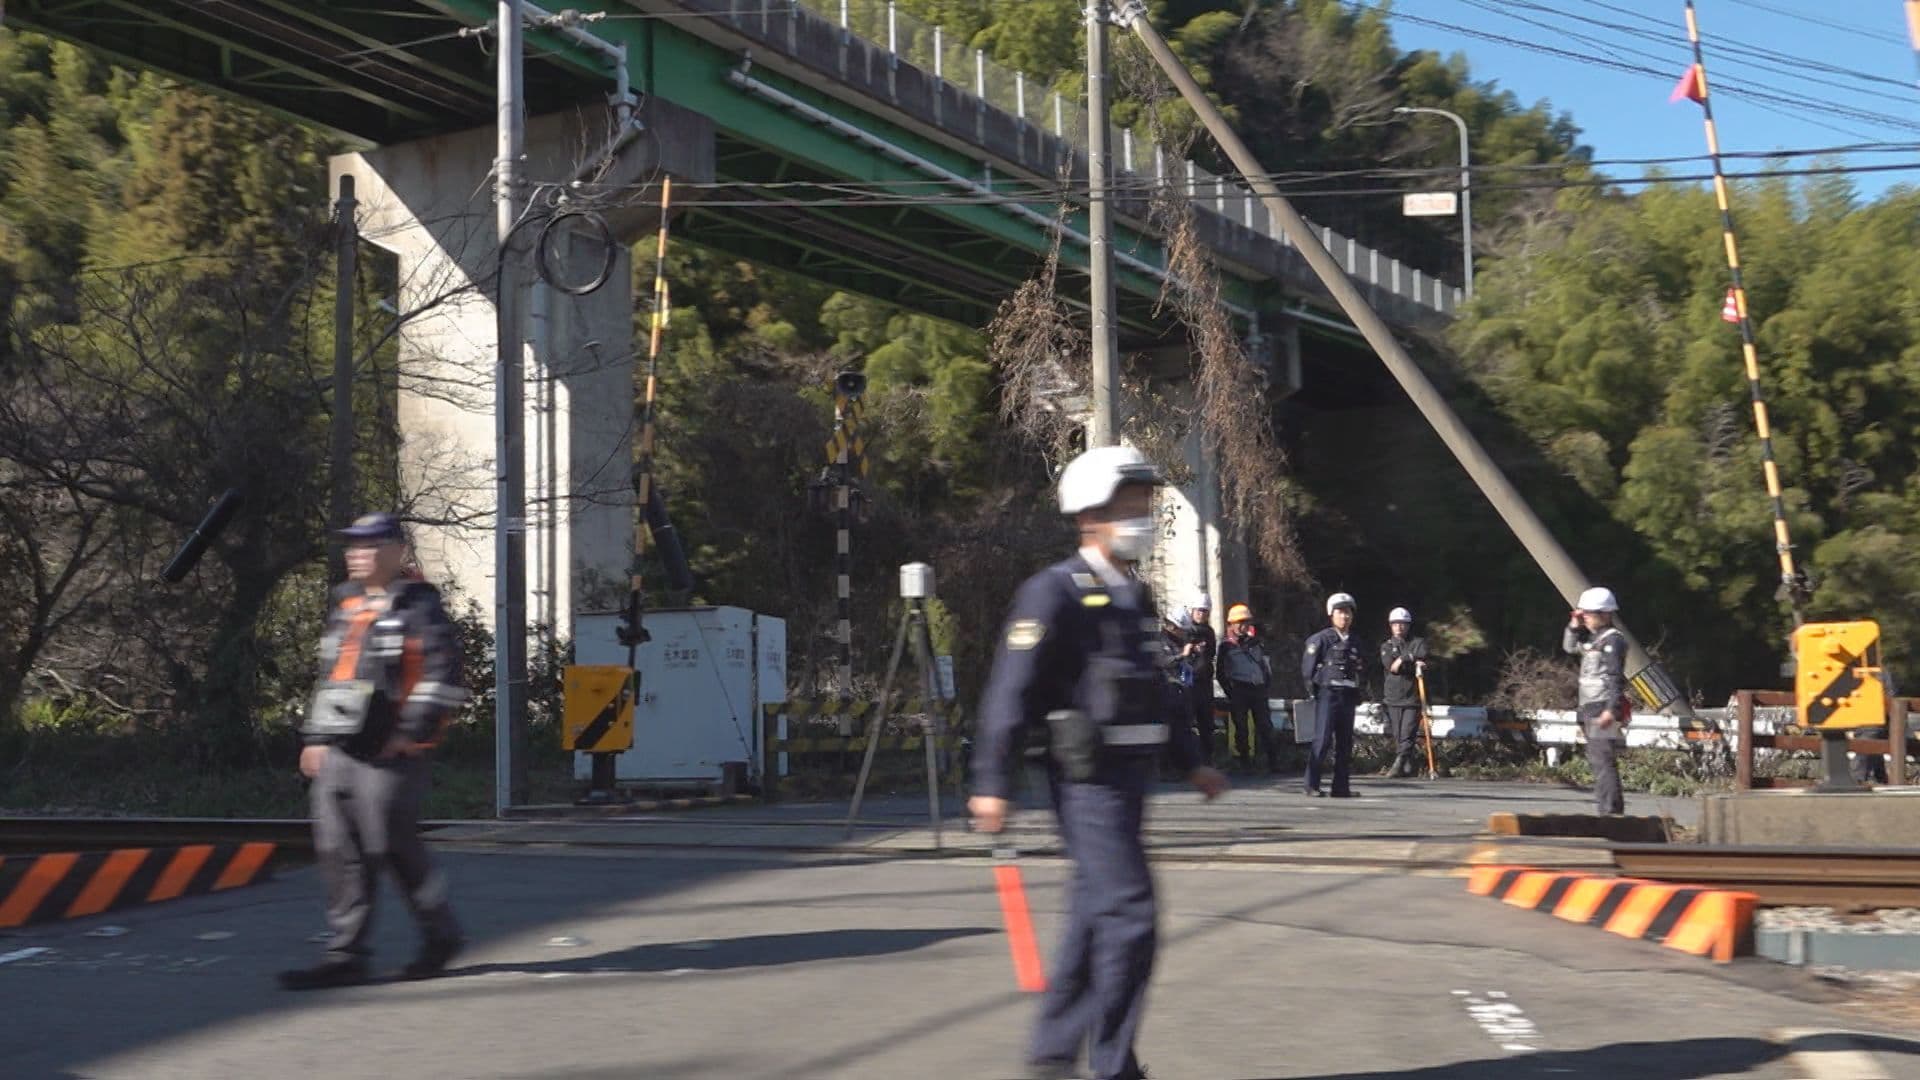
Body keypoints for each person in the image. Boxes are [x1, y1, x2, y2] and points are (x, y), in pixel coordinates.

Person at [970, 445, 1229, 1080]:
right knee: (1131, 914)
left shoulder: (1136, 598)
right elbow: (1011, 690)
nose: (1143, 515)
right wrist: (991, 783)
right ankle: (1114, 1067)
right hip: (1087, 786)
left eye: (1145, 503)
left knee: (1094, 918)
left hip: (1134, 781)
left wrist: (1192, 761)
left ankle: (1054, 1054)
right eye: (1130, 504)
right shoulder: (1052, 592)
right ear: (1091, 514)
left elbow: (1161, 689)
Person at [279, 513, 468, 990]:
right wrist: (316, 738)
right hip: (342, 748)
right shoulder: (346, 605)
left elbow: (443, 675)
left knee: (391, 844)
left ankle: (440, 935)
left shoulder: (418, 606)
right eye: (351, 544)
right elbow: (333, 678)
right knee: (337, 849)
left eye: (367, 544)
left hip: (392, 751)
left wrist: (411, 733)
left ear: (395, 551)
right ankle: (345, 955)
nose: (355, 552)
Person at [1563, 586, 1630, 816]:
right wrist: (1574, 625)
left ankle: (1611, 812)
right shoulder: (1595, 640)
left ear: (1605, 614)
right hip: (1591, 708)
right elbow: (1569, 647)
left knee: (1603, 759)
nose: (1586, 619)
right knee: (1597, 759)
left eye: (1589, 615)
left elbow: (1615, 677)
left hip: (1603, 708)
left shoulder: (1613, 641)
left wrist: (1611, 710)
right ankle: (1606, 809)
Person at [1302, 593, 1365, 798]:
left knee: (1345, 743)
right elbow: (1308, 669)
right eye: (1340, 612)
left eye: (1348, 612)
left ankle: (1341, 787)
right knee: (1322, 740)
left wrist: (1360, 691)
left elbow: (1362, 669)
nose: (1345, 617)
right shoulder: (1322, 639)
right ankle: (1311, 784)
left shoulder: (1356, 641)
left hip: (1348, 694)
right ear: (1331, 614)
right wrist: (1314, 692)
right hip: (1328, 694)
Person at [1217, 604, 1278, 772]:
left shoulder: (1256, 643)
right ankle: (1245, 762)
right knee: (1241, 727)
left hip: (1258, 689)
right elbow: (1220, 673)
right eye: (1240, 622)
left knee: (1265, 725)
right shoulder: (1226, 646)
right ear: (1232, 624)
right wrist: (1230, 692)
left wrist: (1265, 685)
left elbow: (1264, 666)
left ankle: (1273, 761)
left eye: (1246, 622)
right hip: (1239, 689)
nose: (1243, 626)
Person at [1379, 607, 1430, 778]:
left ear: (1408, 625)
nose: (1399, 627)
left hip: (1412, 697)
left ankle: (1398, 763)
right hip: (1392, 696)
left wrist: (1402, 659)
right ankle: (1408, 765)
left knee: (1408, 732)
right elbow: (1391, 666)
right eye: (1395, 624)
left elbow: (1422, 654)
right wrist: (1409, 659)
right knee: (1398, 735)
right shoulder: (1386, 646)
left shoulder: (1417, 642)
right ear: (1390, 626)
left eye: (1403, 624)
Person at [1179, 595, 1218, 769]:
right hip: (1189, 683)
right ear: (1193, 611)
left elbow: (1211, 654)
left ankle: (1207, 761)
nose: (1201, 614)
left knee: (1207, 724)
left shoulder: (1209, 632)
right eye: (1199, 610)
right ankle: (1186, 763)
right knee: (1186, 723)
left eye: (1205, 611)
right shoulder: (1186, 631)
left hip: (1205, 683)